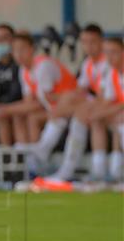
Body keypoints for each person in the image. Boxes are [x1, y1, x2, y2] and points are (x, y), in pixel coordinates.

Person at [43, 37, 124, 183]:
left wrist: (98, 112)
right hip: (117, 113)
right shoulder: (112, 73)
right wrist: (92, 112)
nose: (110, 57)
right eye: (108, 53)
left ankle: (117, 170)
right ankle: (93, 171)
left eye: (114, 52)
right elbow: (106, 101)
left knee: (119, 119)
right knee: (88, 117)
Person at [29, 24, 107, 172]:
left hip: (109, 105)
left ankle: (64, 165)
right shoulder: (88, 63)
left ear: (101, 41)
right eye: (84, 42)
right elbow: (79, 91)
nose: (88, 46)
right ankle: (46, 155)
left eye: (92, 42)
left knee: (78, 112)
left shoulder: (107, 62)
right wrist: (64, 105)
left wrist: (64, 106)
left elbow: (106, 96)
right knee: (69, 102)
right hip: (95, 105)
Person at [0, 33, 76, 147]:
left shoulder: (43, 66)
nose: (18, 54)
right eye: (15, 50)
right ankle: (22, 150)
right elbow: (28, 103)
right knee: (18, 114)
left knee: (32, 118)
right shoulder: (23, 70)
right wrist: (5, 109)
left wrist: (5, 109)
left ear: (32, 49)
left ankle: (35, 154)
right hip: (52, 107)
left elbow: (42, 102)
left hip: (68, 107)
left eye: (22, 49)